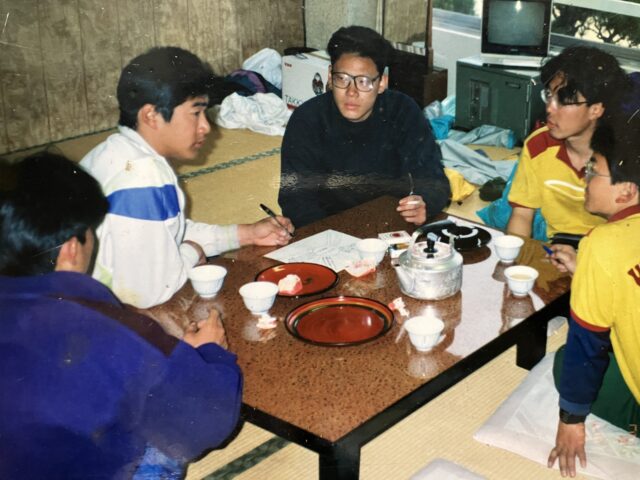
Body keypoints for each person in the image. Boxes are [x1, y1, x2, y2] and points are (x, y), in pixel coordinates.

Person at [0, 152, 243, 479]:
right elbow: (206, 420)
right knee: (160, 434)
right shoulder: (100, 325)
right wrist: (208, 353)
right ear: (72, 247)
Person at [81, 46, 294, 309]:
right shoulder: (141, 177)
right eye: (196, 113)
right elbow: (149, 292)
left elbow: (169, 231)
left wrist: (246, 234)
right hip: (102, 313)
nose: (205, 126)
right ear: (151, 116)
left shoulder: (115, 153)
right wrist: (193, 251)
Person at [278, 25, 451, 227]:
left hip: (388, 222)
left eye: (364, 81)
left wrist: (425, 204)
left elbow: (434, 179)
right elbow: (295, 201)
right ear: (330, 76)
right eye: (342, 78)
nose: (351, 92)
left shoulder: (402, 110)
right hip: (327, 226)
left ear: (382, 82)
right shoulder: (307, 120)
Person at [545, 112, 640, 477]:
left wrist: (571, 420)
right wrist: (585, 271)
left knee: (564, 362)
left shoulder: (602, 244)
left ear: (626, 190)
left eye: (593, 170)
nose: (584, 176)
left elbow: (587, 345)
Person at [507, 45, 630, 240]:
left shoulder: (624, 157)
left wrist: (586, 254)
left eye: (563, 100)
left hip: (608, 249)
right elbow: (522, 214)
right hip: (557, 247)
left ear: (596, 109)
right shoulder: (538, 144)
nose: (550, 108)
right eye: (549, 95)